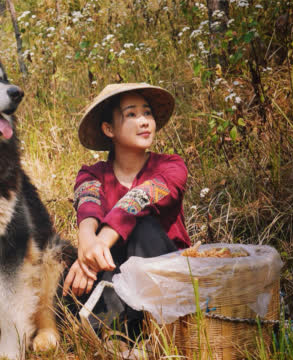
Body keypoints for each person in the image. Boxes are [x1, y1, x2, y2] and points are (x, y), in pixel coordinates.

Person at [63, 83, 191, 336]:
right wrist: (87, 246)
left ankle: (140, 334)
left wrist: (98, 245)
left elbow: (137, 201)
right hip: (114, 276)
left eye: (148, 113)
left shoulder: (171, 167)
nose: (144, 121)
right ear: (108, 129)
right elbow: (88, 206)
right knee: (67, 268)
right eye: (131, 114)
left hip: (166, 282)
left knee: (143, 229)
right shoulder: (92, 174)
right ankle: (117, 336)